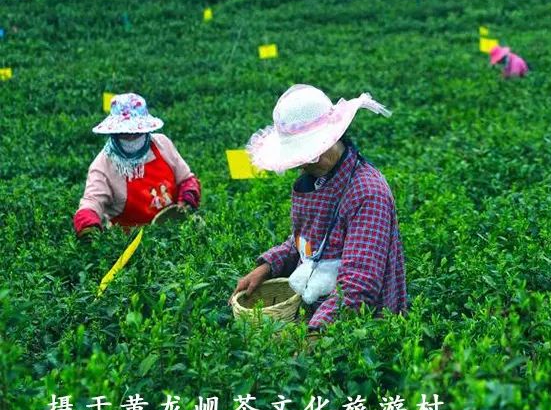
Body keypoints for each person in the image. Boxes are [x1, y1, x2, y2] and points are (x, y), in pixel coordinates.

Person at [231, 85, 407, 334]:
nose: (299, 164)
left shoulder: (368, 192)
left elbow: (358, 285)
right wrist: (267, 266)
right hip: (312, 306)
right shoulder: (313, 179)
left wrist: (311, 336)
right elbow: (304, 242)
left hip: (359, 327)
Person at [73, 93, 201, 238]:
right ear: (114, 132)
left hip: (176, 231)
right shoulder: (103, 165)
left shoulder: (162, 144)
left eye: (137, 132)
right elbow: (92, 202)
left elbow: (186, 180)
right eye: (125, 133)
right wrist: (87, 224)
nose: (131, 137)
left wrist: (187, 199)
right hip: (132, 243)